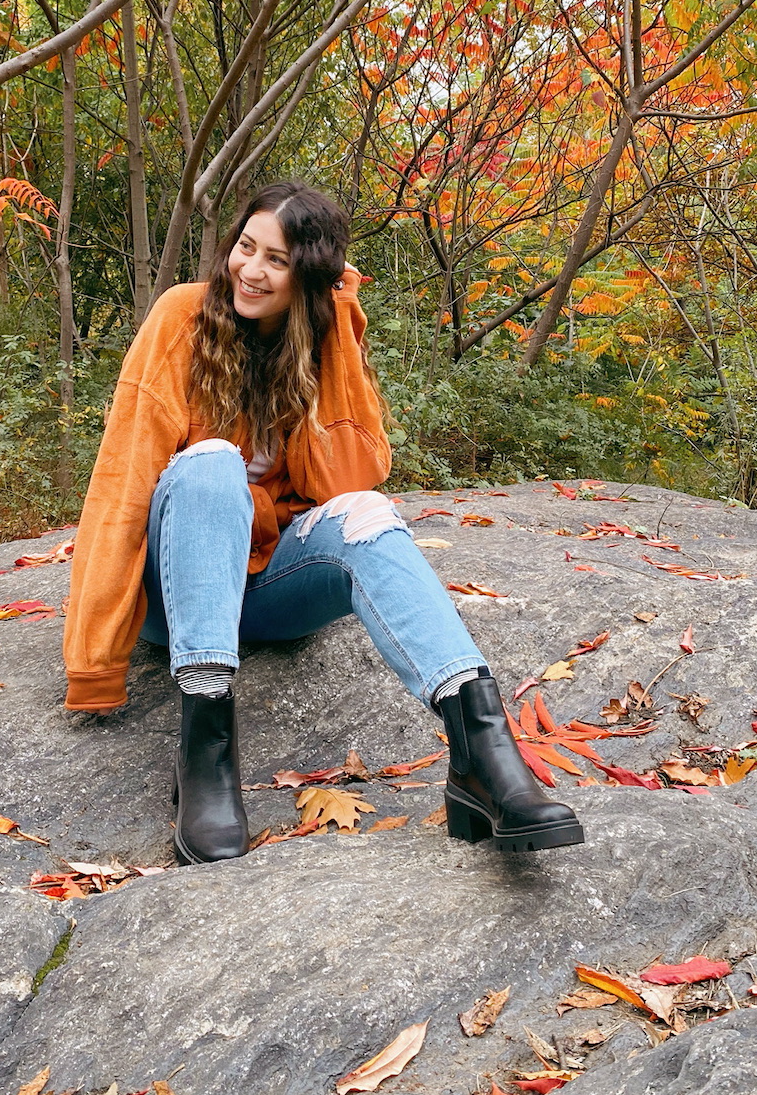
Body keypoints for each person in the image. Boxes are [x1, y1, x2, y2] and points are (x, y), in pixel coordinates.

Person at [63, 182, 584, 864]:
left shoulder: (320, 335)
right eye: (245, 249)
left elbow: (345, 482)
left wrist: (334, 327)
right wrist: (95, 663)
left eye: (276, 261)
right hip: (175, 594)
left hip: (266, 591)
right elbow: (122, 483)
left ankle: (482, 757)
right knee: (210, 462)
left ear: (306, 279)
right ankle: (205, 759)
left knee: (370, 515)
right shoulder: (180, 317)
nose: (250, 270)